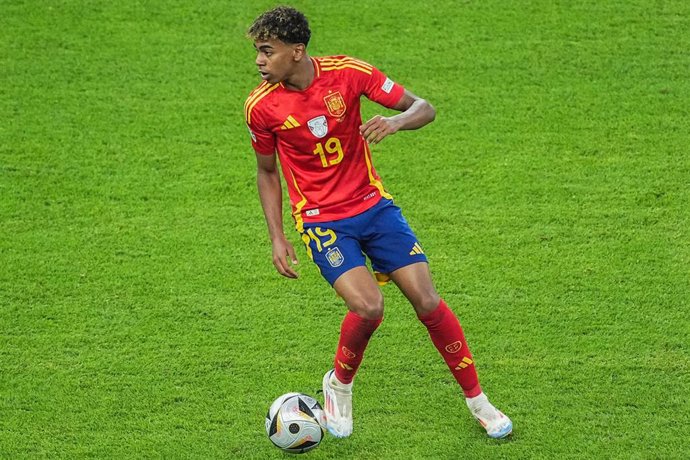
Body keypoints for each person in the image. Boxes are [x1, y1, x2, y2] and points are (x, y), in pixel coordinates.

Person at [244, 6, 512, 439]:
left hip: (374, 207)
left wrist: (396, 121)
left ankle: (479, 402)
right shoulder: (261, 107)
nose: (258, 60)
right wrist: (277, 236)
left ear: (296, 51)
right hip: (322, 220)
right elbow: (267, 171)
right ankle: (340, 386)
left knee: (426, 300)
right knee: (369, 307)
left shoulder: (348, 74)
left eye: (266, 51)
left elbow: (424, 107)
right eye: (257, 51)